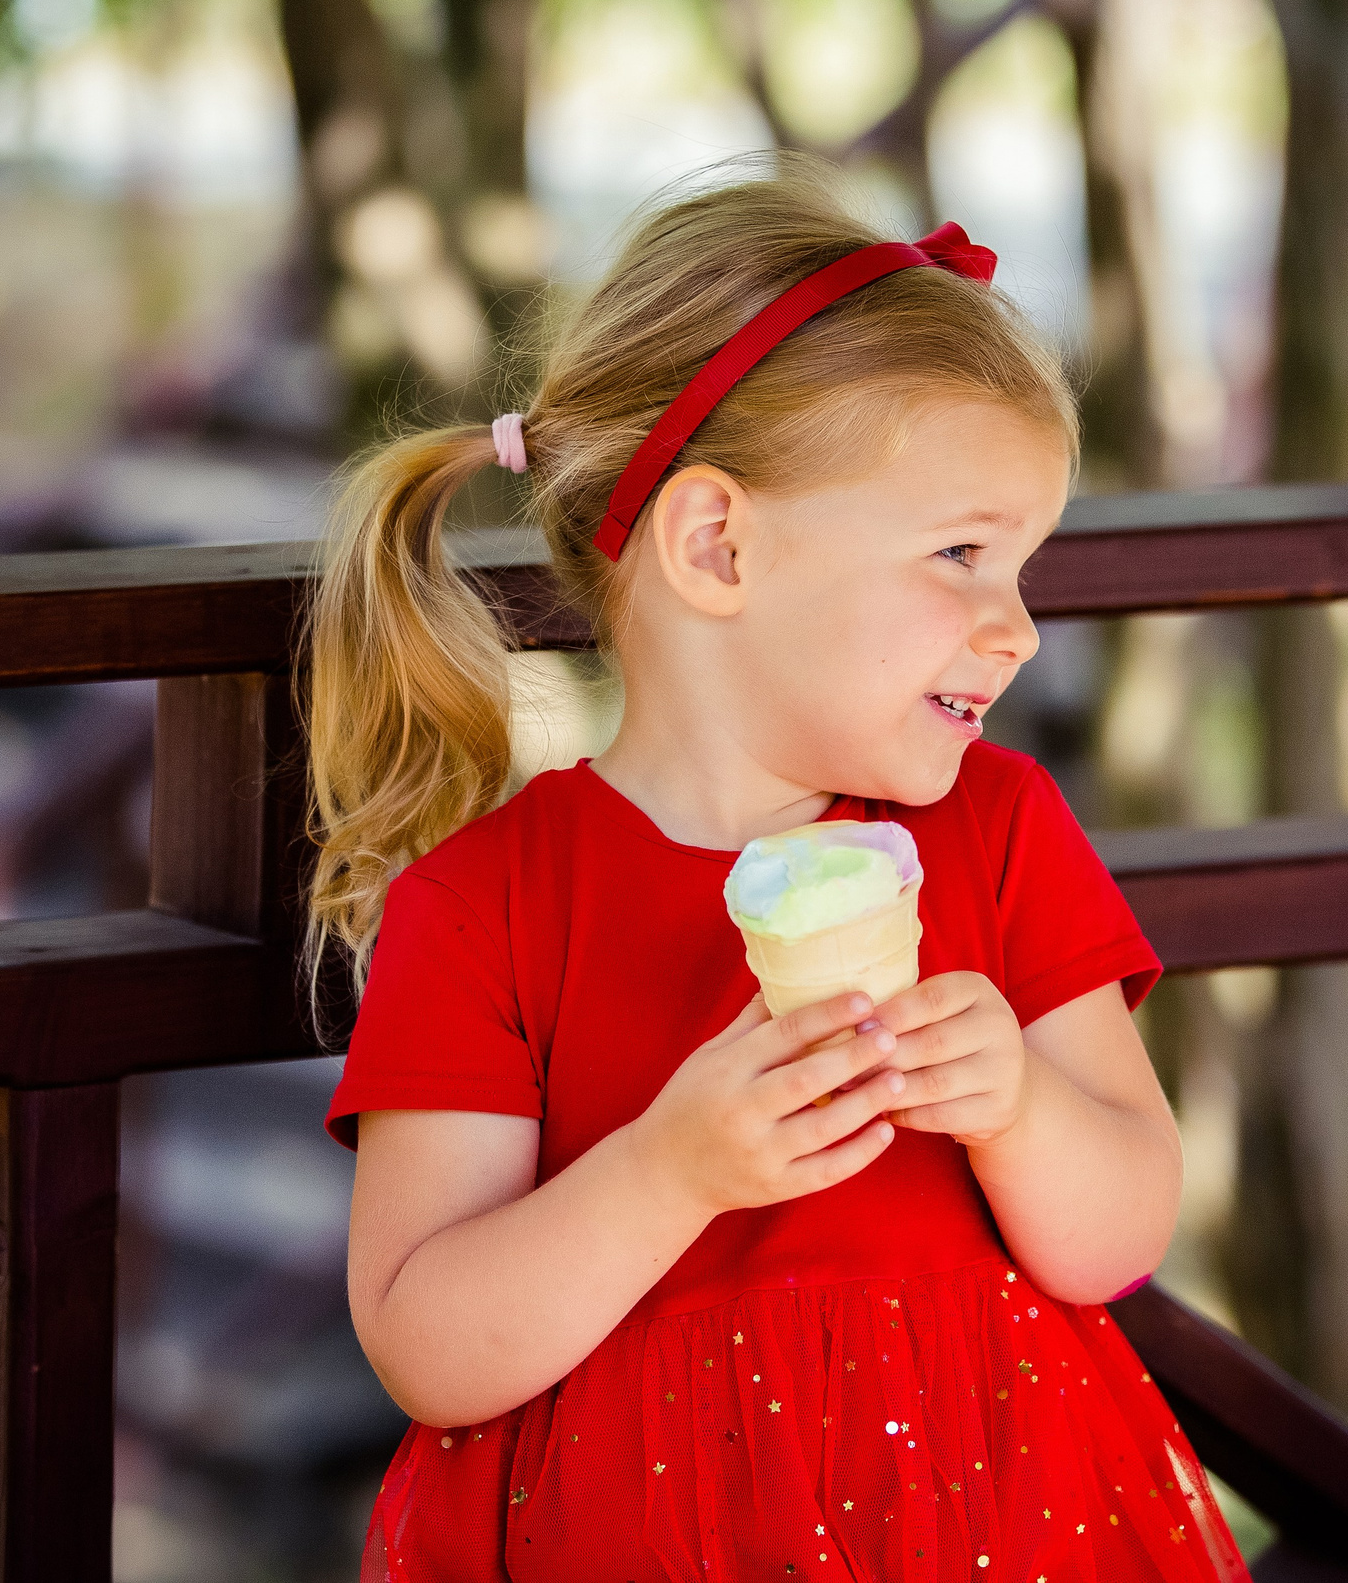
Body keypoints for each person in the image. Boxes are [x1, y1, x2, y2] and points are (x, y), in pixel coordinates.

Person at [302, 164, 1250, 1582]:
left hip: (997, 1526)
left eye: (1025, 569)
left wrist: (1017, 1106)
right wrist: (669, 1173)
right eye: (963, 556)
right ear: (717, 543)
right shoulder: (487, 904)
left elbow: (1116, 1236)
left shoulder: (994, 831)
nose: (1020, 631)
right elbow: (427, 1343)